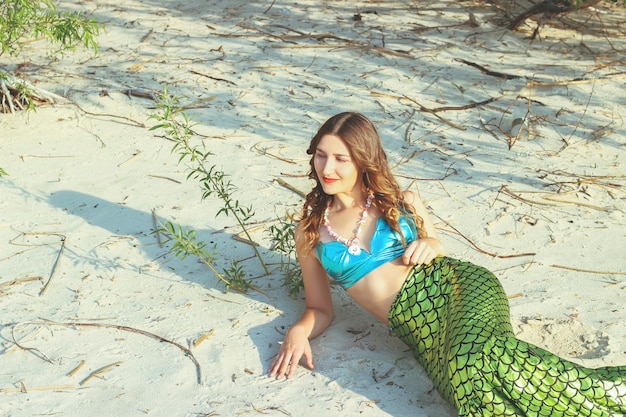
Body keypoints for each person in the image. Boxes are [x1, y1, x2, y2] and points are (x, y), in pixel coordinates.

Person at [268, 112, 626, 416]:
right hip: (421, 332)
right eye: (320, 155)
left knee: (475, 357)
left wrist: (430, 242)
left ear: (363, 160)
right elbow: (320, 308)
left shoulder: (400, 200)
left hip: (459, 289)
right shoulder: (311, 231)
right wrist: (299, 330)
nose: (326, 167)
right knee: (467, 377)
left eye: (340, 158)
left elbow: (437, 246)